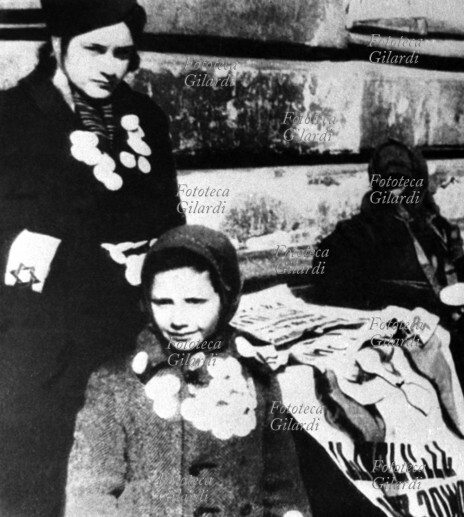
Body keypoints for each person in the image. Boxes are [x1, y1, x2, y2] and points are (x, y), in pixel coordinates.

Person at [0, 0, 184, 515]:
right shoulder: (12, 117)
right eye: (94, 49)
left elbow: (170, 212)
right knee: (50, 482)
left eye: (123, 53)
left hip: (133, 329)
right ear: (58, 45)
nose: (110, 65)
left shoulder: (147, 118)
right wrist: (93, 262)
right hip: (45, 340)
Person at [65, 225, 311, 517]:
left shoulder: (255, 377)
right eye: (163, 302)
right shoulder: (115, 383)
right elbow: (91, 494)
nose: (178, 319)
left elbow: (283, 490)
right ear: (146, 301)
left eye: (195, 302)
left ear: (227, 298)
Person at [312, 138, 464, 317]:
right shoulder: (358, 233)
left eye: (404, 182)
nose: (397, 192)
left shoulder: (435, 226)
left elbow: (455, 275)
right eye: (390, 181)